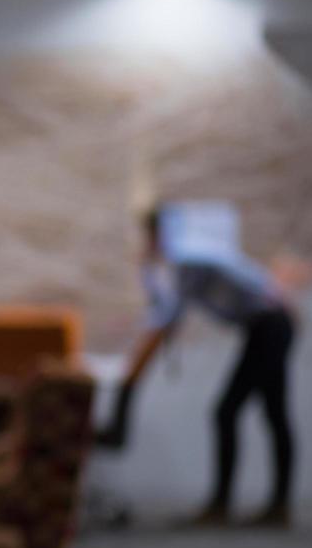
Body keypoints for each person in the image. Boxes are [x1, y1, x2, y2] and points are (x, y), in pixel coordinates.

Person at [108, 201, 297, 527]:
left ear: (161, 234)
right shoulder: (186, 262)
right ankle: (274, 506)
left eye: (150, 237)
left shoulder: (189, 261)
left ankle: (225, 505)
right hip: (267, 327)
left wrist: (149, 274)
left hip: (270, 326)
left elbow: (169, 315)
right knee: (272, 414)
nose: (147, 245)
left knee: (230, 412)